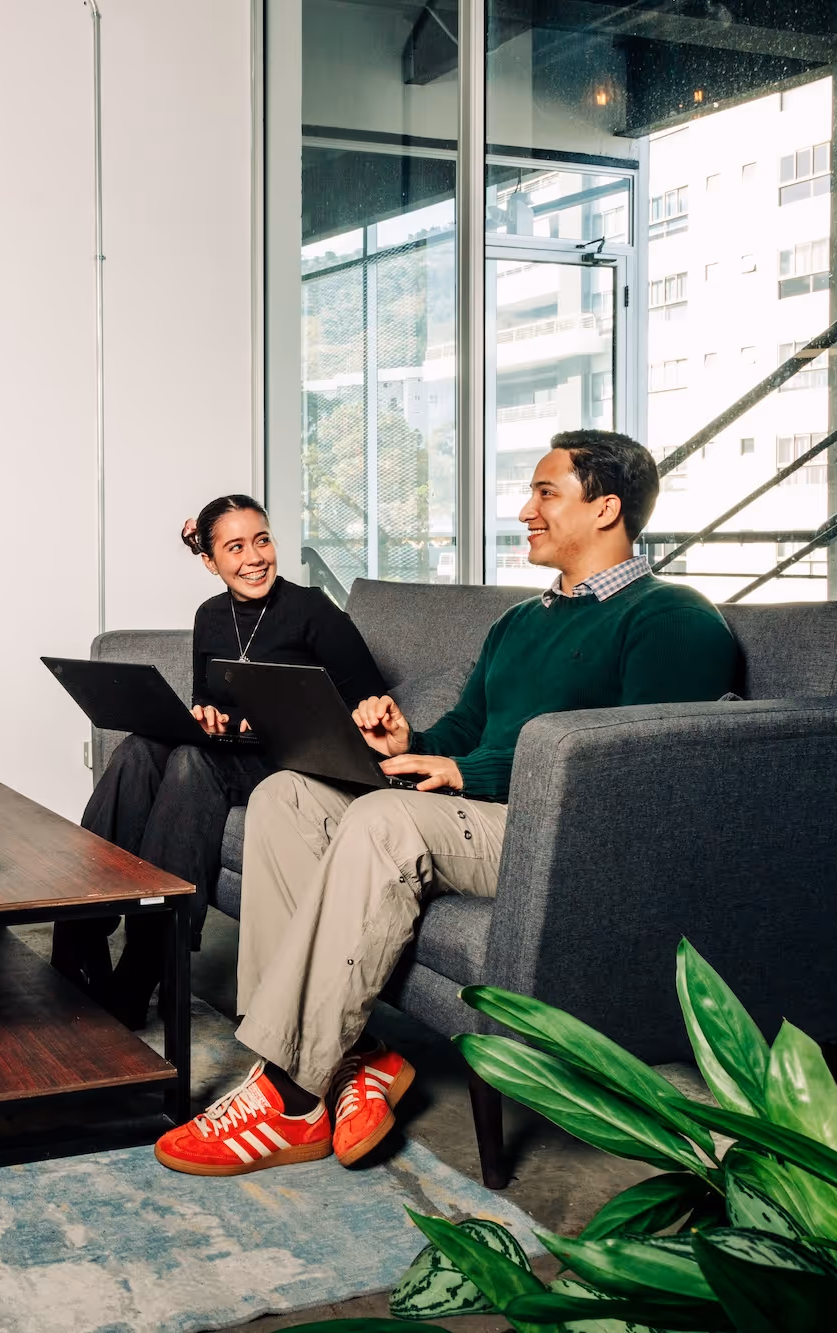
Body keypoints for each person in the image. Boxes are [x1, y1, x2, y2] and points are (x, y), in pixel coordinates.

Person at [151, 432, 740, 1177]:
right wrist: (407, 740)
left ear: (606, 508)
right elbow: (465, 730)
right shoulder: (522, 622)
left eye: (545, 492)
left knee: (384, 819)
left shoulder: (672, 617)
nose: (526, 510)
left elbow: (639, 763)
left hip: (558, 833)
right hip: (486, 810)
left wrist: (466, 771)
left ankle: (291, 1094)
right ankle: (353, 1059)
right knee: (285, 796)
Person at [52, 495, 385, 1028]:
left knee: (189, 763)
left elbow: (369, 703)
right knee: (138, 751)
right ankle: (79, 933)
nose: (254, 557)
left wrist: (282, 714)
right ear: (211, 562)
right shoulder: (210, 615)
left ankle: (145, 964)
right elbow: (217, 699)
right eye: (235, 547)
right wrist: (215, 717)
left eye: (262, 540)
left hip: (295, 764)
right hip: (238, 752)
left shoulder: (314, 611)